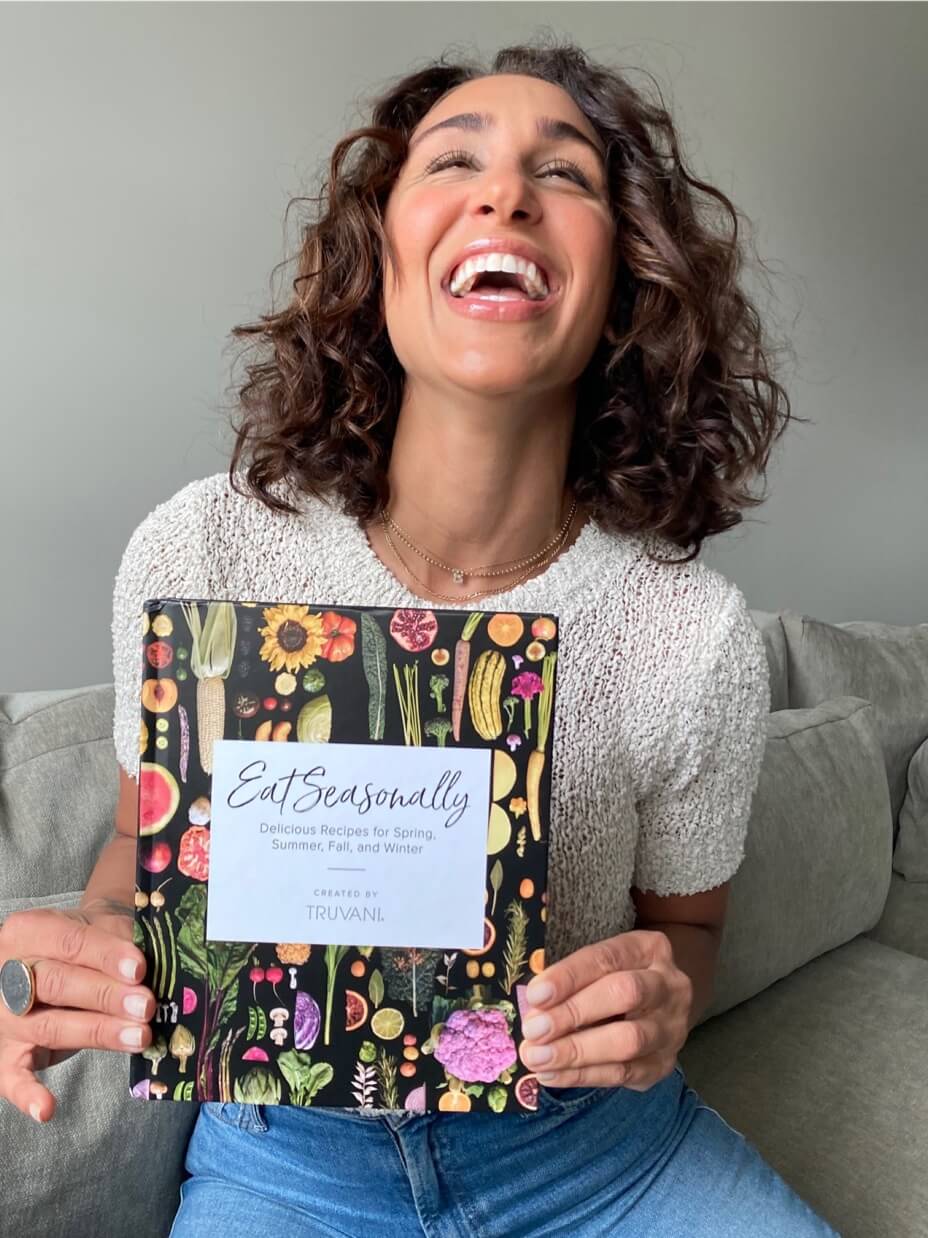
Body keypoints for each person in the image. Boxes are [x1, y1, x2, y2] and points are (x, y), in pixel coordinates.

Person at [0, 40, 840, 1238]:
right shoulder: (203, 552)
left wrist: (664, 1001)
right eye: (453, 161)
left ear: (624, 279)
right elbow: (147, 847)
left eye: (565, 173)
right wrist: (98, 942)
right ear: (376, 252)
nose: (504, 194)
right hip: (287, 1159)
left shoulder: (687, 632)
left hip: (595, 1154)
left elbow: (689, 928)